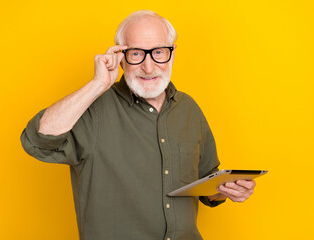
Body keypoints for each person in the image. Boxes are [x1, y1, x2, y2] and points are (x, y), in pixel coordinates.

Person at [21, 10, 256, 240]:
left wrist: (224, 190)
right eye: (136, 54)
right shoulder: (94, 109)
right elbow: (38, 141)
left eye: (159, 52)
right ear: (120, 57)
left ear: (172, 54)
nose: (148, 67)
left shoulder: (189, 108)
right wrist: (97, 84)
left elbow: (205, 182)